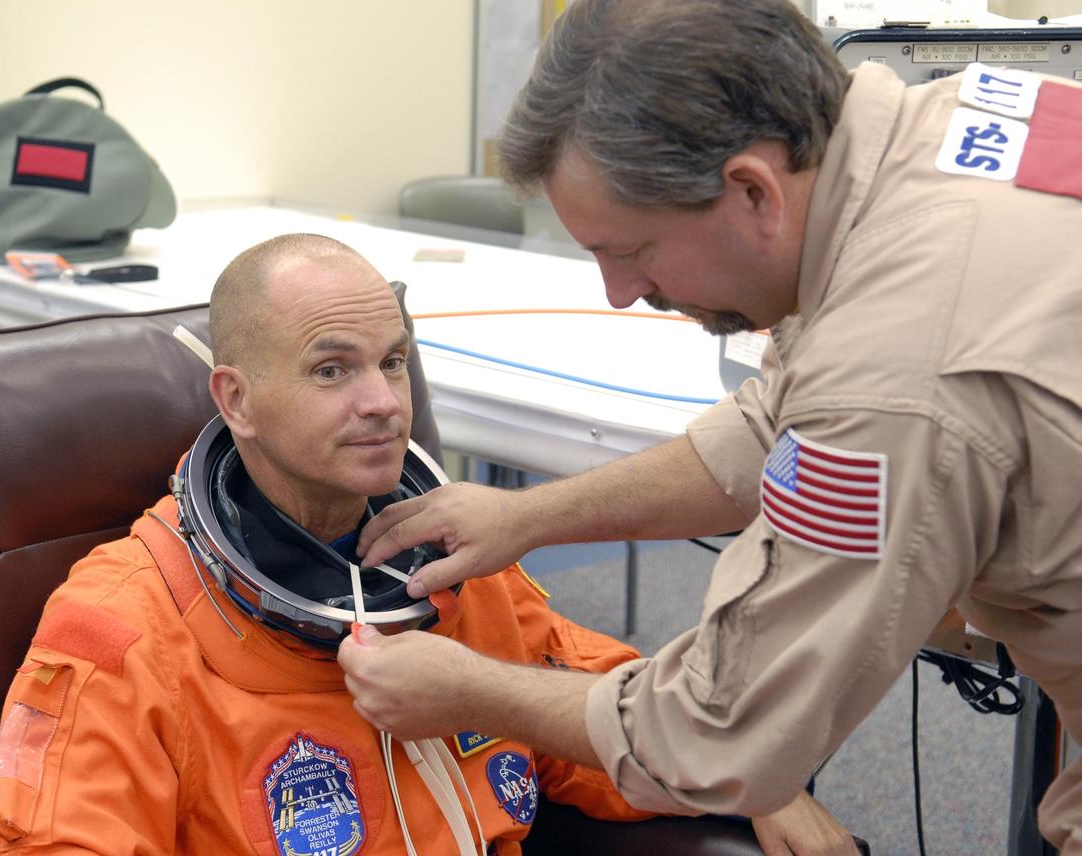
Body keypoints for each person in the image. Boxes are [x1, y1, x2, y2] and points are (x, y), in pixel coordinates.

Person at [339, 0, 1082, 851]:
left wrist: (476, 692)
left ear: (750, 191)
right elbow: (776, 418)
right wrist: (525, 516)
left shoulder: (896, 365)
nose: (620, 292)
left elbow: (724, 731)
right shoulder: (941, 127)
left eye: (632, 251)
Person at [0, 233, 851, 854]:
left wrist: (748, 778)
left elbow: (590, 711)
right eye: (333, 370)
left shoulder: (453, 564)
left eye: (393, 362)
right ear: (236, 400)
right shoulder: (122, 629)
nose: (385, 403)